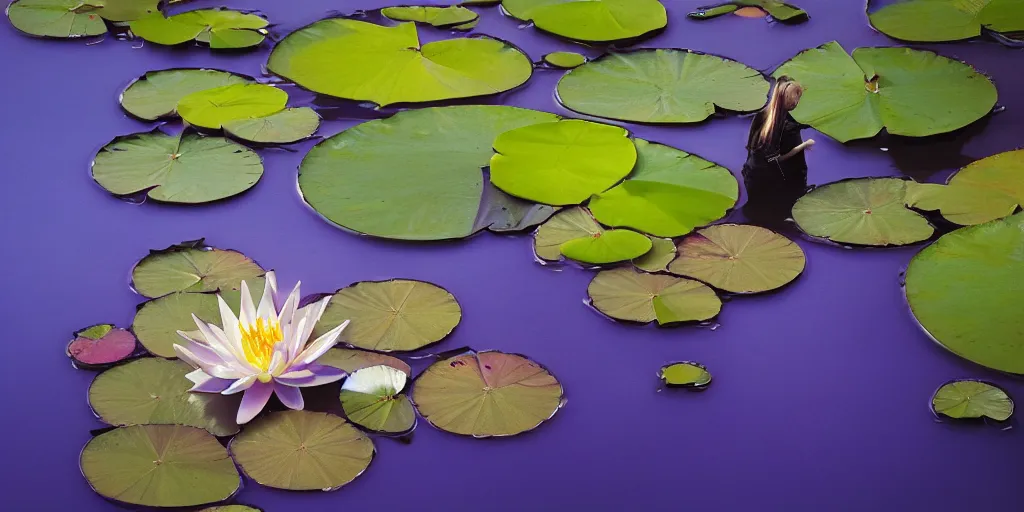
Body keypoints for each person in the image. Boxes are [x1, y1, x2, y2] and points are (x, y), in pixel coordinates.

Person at [741, 77, 814, 226]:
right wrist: (804, 145)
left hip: (752, 178)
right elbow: (780, 161)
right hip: (774, 187)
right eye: (796, 99)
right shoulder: (789, 128)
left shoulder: (759, 116)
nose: (797, 103)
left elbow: (751, 148)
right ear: (790, 101)